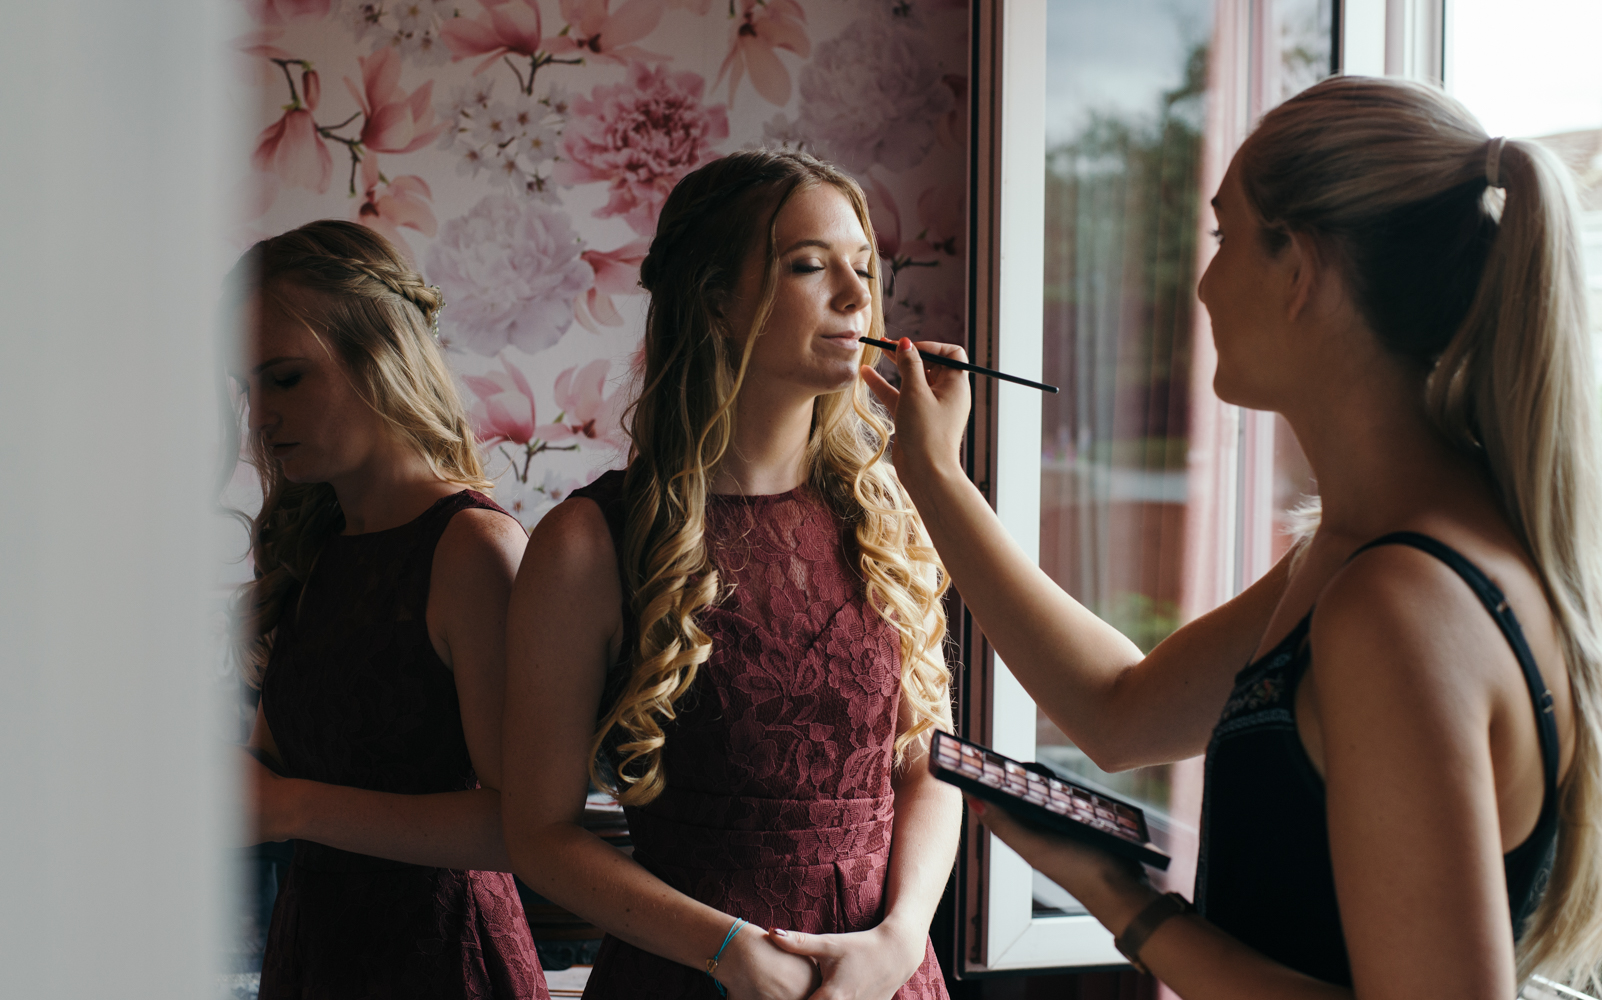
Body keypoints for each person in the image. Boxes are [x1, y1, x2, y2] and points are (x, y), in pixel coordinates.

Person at [865, 76, 1602, 997]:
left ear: (1301, 268)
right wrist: (934, 476)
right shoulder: (1358, 554)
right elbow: (1120, 712)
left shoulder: (1399, 604)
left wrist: (1124, 903)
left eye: (1224, 236)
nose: (1205, 283)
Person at [501, 150, 962, 1000]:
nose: (859, 298)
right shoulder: (589, 544)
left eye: (864, 268)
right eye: (809, 266)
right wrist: (727, 952)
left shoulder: (889, 512)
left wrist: (898, 942)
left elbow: (926, 763)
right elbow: (536, 831)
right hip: (692, 982)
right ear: (717, 299)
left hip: (885, 981)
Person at [230, 220, 548, 999]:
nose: (260, 417)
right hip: (315, 951)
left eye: (285, 378)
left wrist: (293, 808)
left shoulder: (473, 550)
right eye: (248, 388)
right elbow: (273, 770)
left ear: (381, 356)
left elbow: (521, 828)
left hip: (443, 960)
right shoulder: (314, 549)